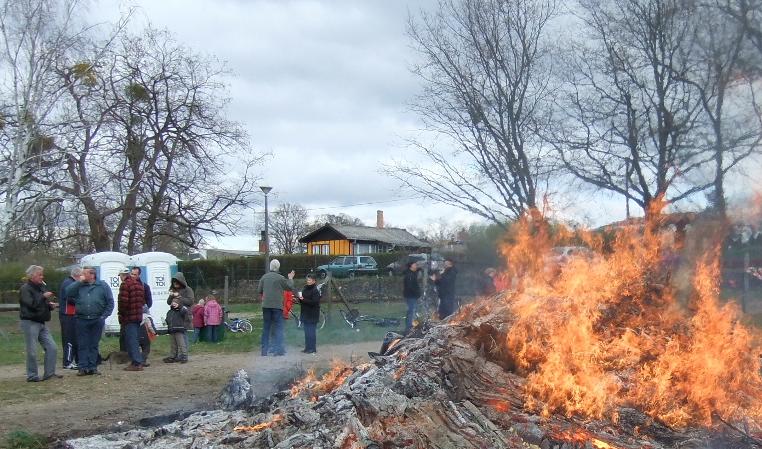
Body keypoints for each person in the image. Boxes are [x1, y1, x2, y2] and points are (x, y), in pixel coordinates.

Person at [65, 266, 114, 376]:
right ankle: (82, 367)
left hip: (97, 319)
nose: (81, 275)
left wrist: (104, 316)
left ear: (92, 275)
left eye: (84, 274)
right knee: (82, 344)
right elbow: (68, 292)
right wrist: (79, 282)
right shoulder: (79, 285)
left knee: (93, 344)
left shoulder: (102, 286)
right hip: (81, 319)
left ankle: (92, 367)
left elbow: (110, 302)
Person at [19, 265, 61, 382]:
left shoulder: (41, 287)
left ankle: (49, 373)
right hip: (30, 322)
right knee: (32, 350)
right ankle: (32, 375)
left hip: (41, 322)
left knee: (52, 347)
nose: (42, 277)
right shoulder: (25, 289)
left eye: (42, 274)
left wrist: (50, 306)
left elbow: (41, 303)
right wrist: (43, 297)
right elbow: (31, 304)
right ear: (32, 275)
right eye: (40, 274)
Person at [257, 259, 295, 356]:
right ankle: (278, 350)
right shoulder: (281, 278)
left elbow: (259, 290)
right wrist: (290, 278)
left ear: (270, 267)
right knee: (279, 327)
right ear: (278, 267)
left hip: (266, 306)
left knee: (266, 328)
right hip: (277, 306)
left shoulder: (264, 277)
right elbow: (289, 287)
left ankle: (264, 351)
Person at [117, 268, 146, 371]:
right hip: (138, 316)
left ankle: (137, 362)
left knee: (131, 340)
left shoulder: (125, 285)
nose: (120, 278)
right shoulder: (138, 284)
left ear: (122, 275)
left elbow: (123, 302)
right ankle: (136, 361)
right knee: (135, 340)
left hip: (129, 316)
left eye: (120, 276)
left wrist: (120, 314)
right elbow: (143, 301)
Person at [58, 266, 82, 370]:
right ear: (77, 275)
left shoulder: (69, 282)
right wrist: (81, 301)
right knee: (69, 338)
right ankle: (67, 361)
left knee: (74, 338)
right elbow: (70, 298)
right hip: (68, 314)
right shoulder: (69, 283)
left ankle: (75, 360)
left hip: (72, 314)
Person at [167, 272, 194, 357]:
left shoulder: (188, 289)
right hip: (175, 317)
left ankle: (184, 355)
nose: (175, 283)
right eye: (174, 282)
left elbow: (190, 301)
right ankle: (176, 354)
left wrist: (179, 297)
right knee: (175, 337)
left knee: (183, 335)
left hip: (184, 315)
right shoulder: (173, 290)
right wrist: (171, 296)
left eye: (177, 282)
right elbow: (168, 302)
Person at [298, 274, 321, 354]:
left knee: (311, 332)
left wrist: (303, 300)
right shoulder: (305, 288)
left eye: (310, 280)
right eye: (307, 280)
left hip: (312, 314)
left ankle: (313, 348)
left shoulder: (315, 290)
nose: (308, 281)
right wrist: (300, 299)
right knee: (306, 332)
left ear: (314, 281)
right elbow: (302, 300)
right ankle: (307, 348)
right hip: (305, 313)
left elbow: (314, 302)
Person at [164, 299, 188, 363]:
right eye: (173, 302)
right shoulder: (170, 311)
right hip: (172, 330)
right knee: (173, 344)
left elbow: (185, 312)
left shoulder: (181, 310)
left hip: (179, 329)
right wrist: (166, 322)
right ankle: (173, 356)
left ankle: (184, 356)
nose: (174, 303)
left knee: (181, 344)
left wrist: (180, 307)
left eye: (176, 302)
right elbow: (168, 319)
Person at [403, 261, 421, 333]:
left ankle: (410, 326)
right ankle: (409, 328)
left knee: (412, 311)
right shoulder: (410, 275)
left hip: (412, 296)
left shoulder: (412, 274)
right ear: (411, 266)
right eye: (415, 265)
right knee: (411, 312)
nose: (416, 266)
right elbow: (410, 287)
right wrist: (417, 294)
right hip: (411, 296)